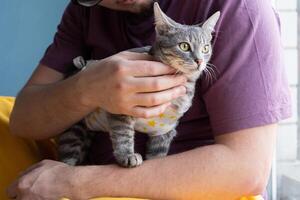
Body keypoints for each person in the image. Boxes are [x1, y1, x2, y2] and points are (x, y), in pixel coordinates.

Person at [7, 0, 291, 199]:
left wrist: (74, 182)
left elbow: (247, 170)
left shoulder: (238, 8)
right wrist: (85, 88)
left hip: (188, 189)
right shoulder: (85, 9)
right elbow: (22, 120)